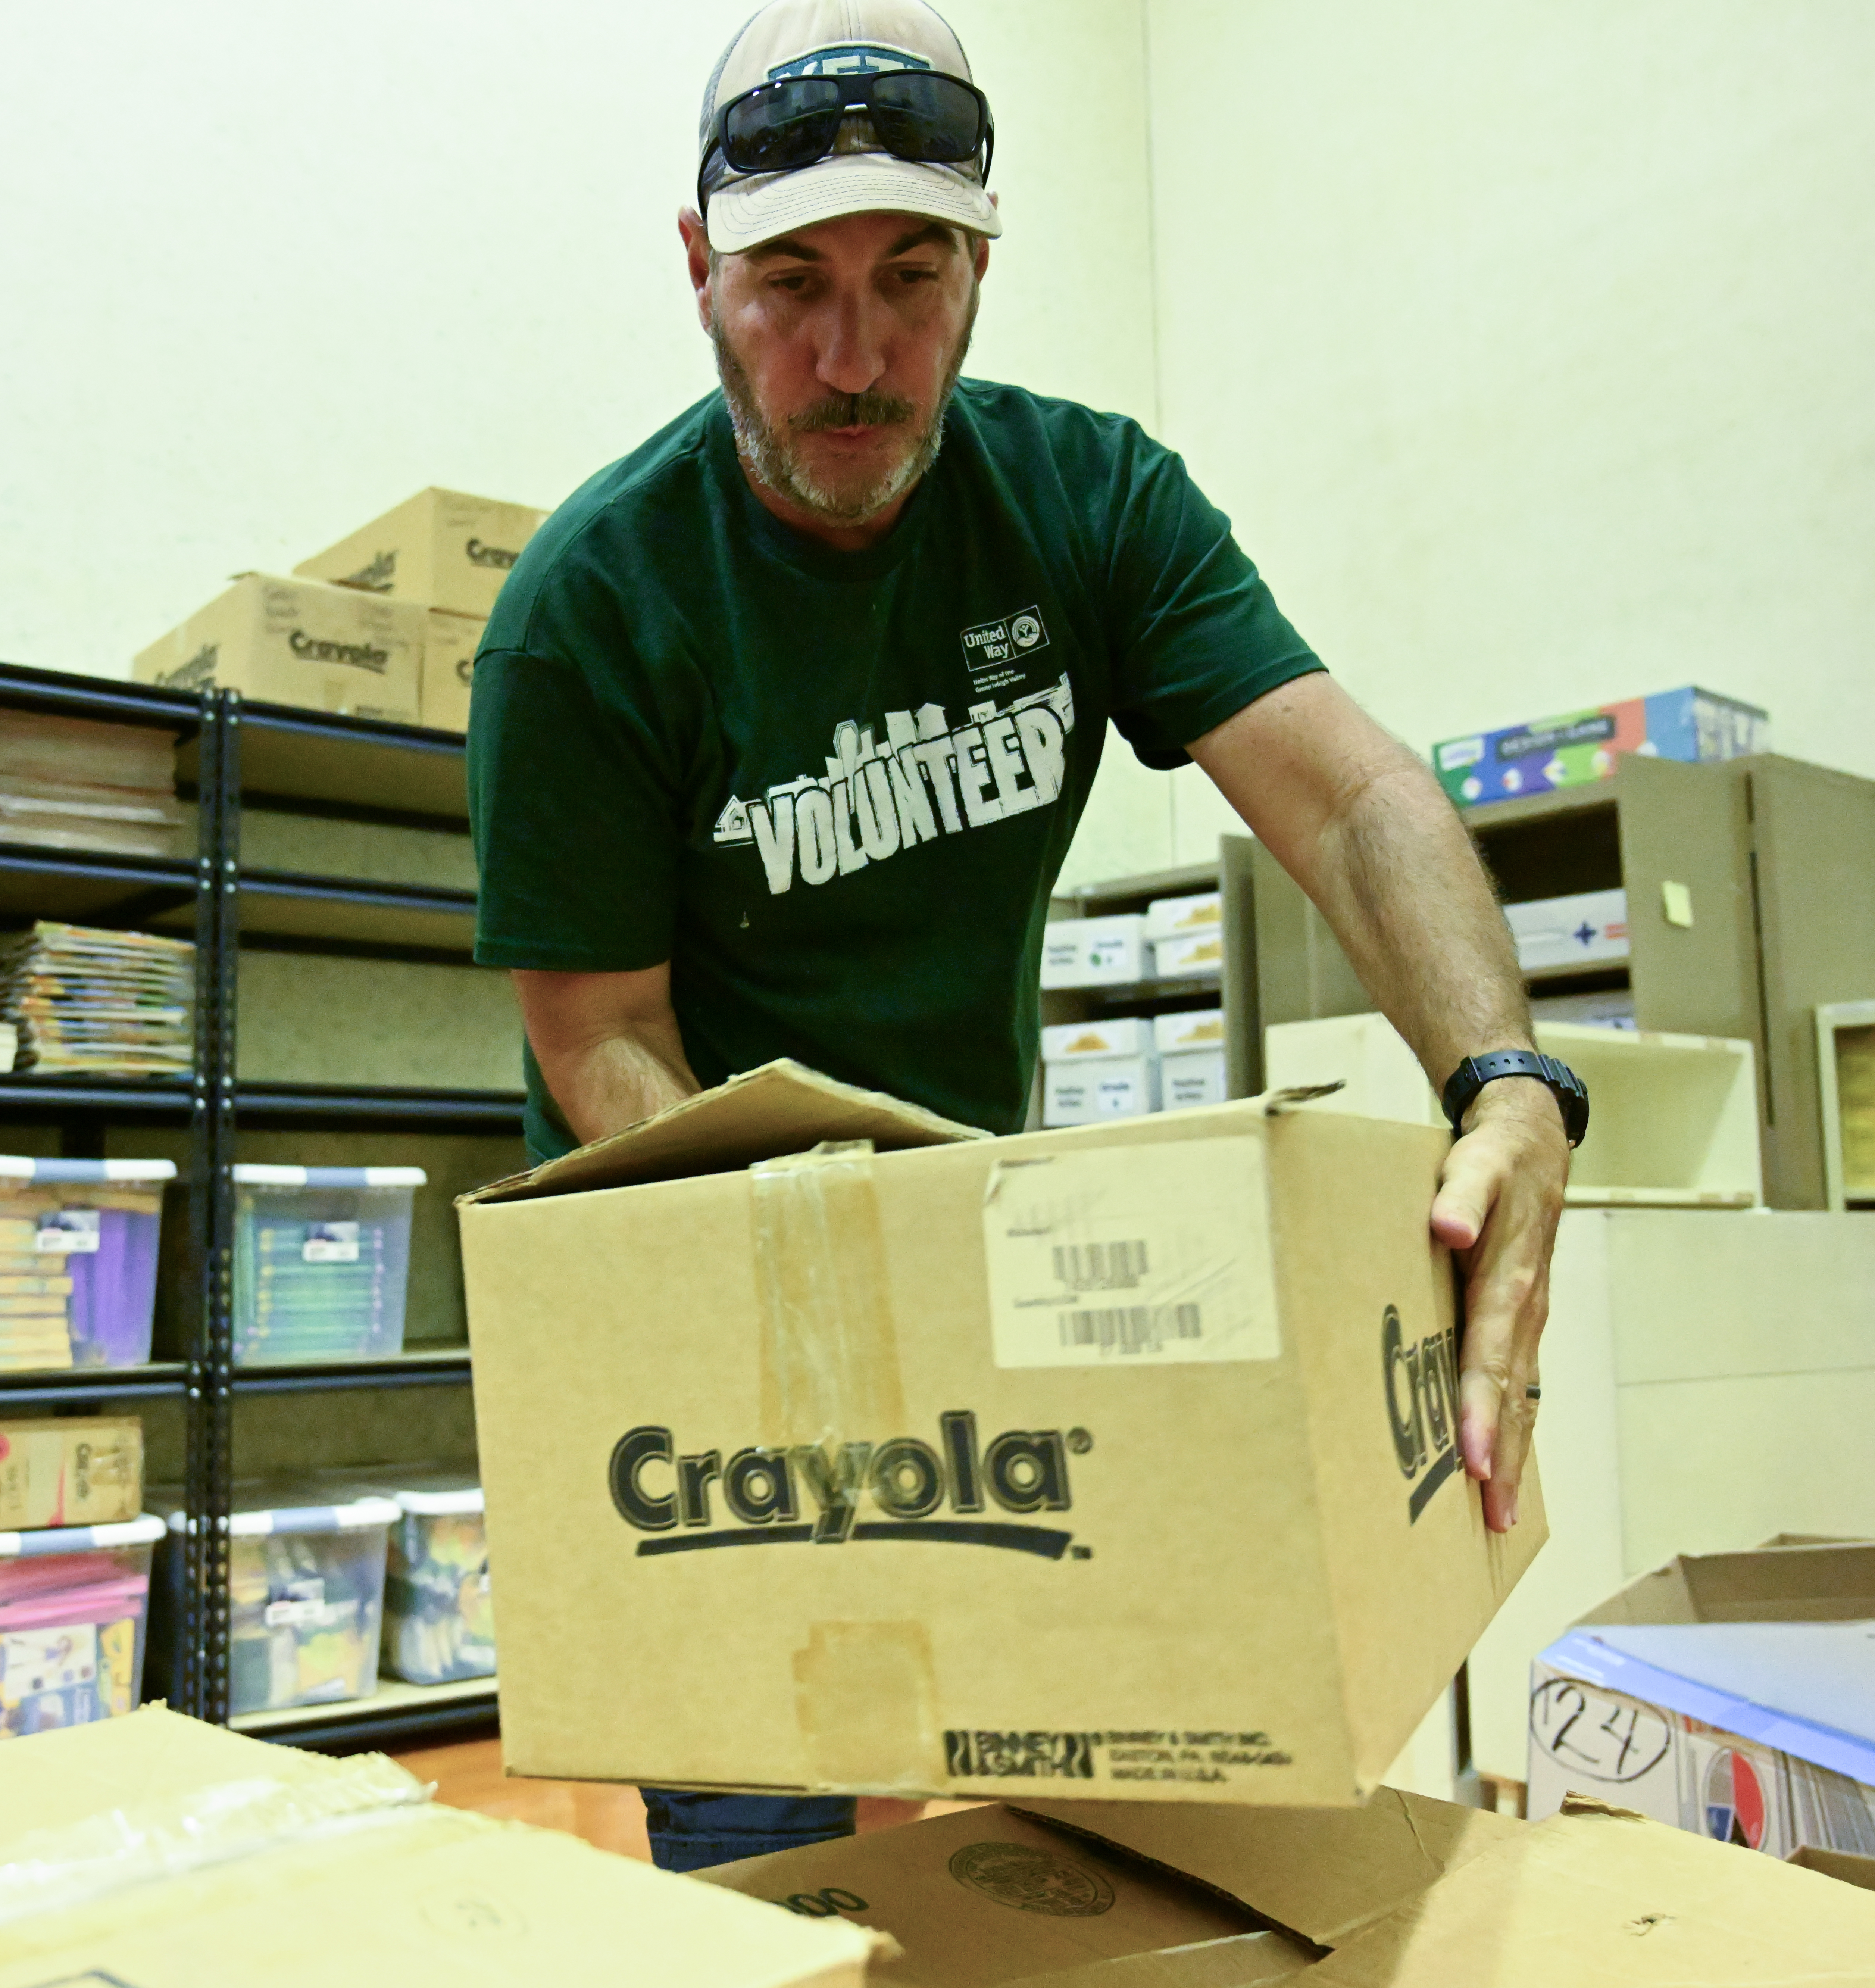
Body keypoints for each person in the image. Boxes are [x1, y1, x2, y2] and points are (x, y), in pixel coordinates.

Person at [465, 0, 1580, 1873]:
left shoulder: (1087, 501)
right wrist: (829, 1278)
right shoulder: (589, 614)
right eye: (788, 284)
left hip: (984, 1265)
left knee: (1045, 1816)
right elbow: (599, 1037)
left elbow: (1350, 795)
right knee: (773, 1851)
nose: (851, 356)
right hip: (701, 1309)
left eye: (909, 277)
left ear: (980, 265)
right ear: (697, 271)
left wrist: (1506, 1076)